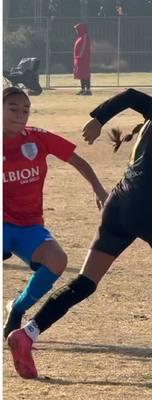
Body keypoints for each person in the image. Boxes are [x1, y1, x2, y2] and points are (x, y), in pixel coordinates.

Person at [8, 77, 152, 380]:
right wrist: (98, 118)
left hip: (118, 206)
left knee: (85, 282)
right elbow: (132, 94)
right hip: (143, 206)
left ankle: (27, 334)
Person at [3, 86, 108, 339]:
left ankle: (17, 308)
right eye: (13, 109)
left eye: (25, 110)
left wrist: (99, 190)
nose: (20, 115)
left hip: (31, 226)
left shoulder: (37, 138)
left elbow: (78, 161)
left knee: (58, 260)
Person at [73, 23, 92, 96]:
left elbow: (83, 47)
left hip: (83, 59)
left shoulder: (85, 37)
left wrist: (80, 56)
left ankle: (88, 90)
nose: (76, 31)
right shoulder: (80, 37)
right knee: (81, 74)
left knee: (85, 74)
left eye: (77, 29)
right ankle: (83, 89)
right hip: (79, 59)